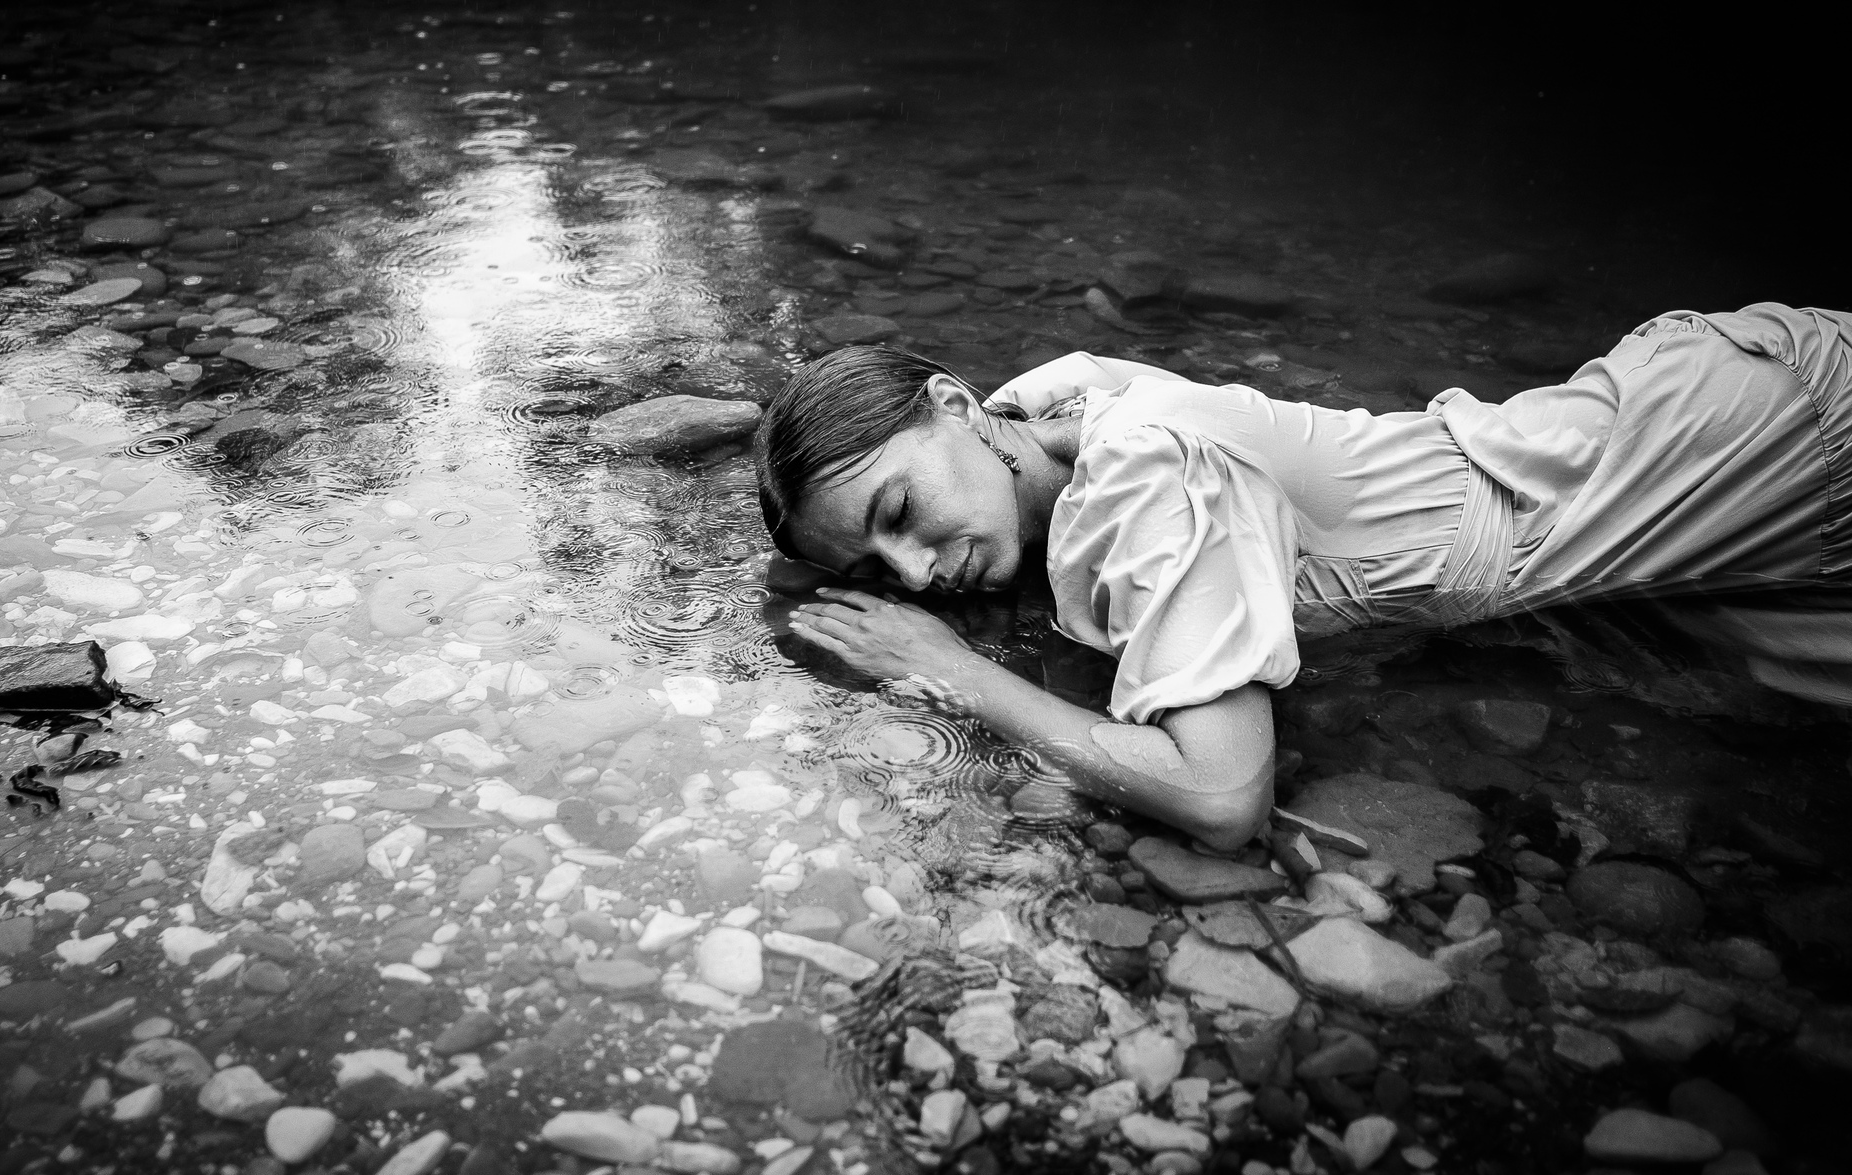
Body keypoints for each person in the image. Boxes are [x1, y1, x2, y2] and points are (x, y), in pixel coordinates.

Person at [753, 301, 1852, 850]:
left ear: (955, 403)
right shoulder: (1052, 419)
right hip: (1653, 488)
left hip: (1755, 448)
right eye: (875, 569)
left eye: (899, 513)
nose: (913, 572)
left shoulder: (1144, 475)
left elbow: (1222, 796)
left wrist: (952, 670)